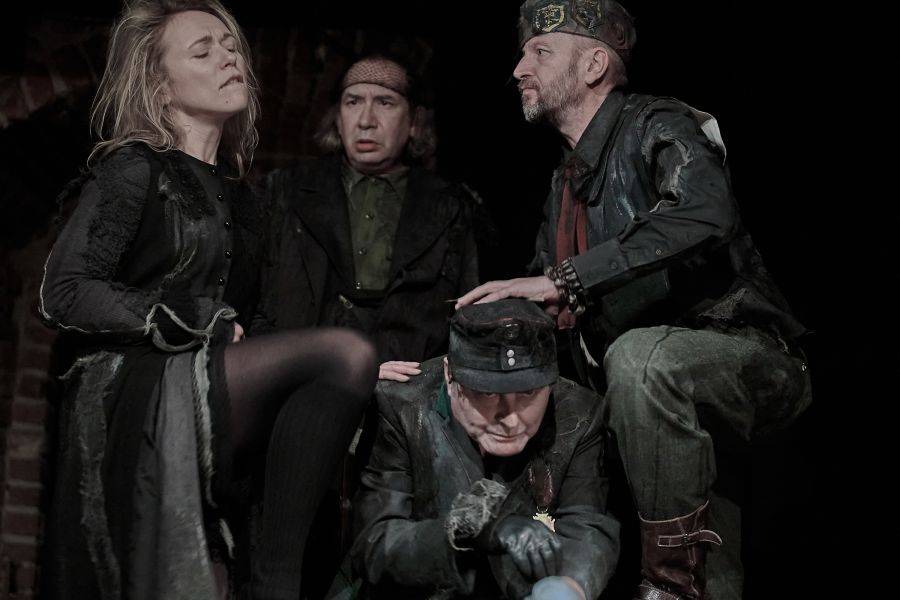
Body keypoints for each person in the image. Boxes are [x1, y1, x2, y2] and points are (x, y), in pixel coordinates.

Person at [456, 2, 813, 599]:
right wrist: (462, 358)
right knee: (713, 572)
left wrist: (569, 278)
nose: (519, 68)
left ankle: (665, 588)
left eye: (540, 52)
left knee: (640, 359)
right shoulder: (563, 184)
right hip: (654, 408)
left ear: (594, 64)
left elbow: (705, 211)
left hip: (746, 358)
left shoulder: (658, 123)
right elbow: (542, 299)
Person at [38, 1, 377, 599]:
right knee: (347, 354)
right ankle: (278, 585)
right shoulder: (135, 171)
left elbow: (256, 322)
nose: (229, 58)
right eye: (203, 51)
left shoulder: (246, 201)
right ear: (160, 87)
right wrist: (189, 318)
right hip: (136, 391)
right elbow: (64, 292)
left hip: (210, 387)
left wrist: (312, 371)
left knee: (345, 372)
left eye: (231, 46)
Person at [352, 298, 620, 600]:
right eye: (488, 394)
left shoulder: (580, 413)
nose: (511, 419)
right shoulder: (401, 406)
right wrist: (470, 532)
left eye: (528, 393)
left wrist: (568, 587)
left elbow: (587, 525)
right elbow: (375, 545)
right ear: (450, 376)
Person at [261, 52, 482, 383]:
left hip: (413, 386)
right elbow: (257, 304)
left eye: (385, 103)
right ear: (338, 120)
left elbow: (470, 316)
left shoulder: (451, 207)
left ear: (414, 122)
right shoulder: (285, 191)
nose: (366, 120)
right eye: (353, 102)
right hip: (305, 382)